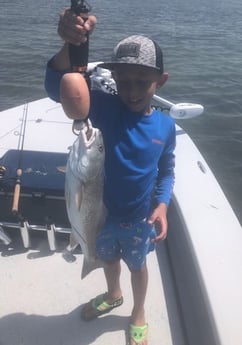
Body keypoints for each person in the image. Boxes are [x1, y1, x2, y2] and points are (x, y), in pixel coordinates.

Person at [45, 8, 176, 345]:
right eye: (124, 80)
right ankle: (113, 294)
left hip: (138, 219)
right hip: (100, 219)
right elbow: (58, 84)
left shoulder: (164, 125)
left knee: (138, 267)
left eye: (142, 82)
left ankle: (138, 311)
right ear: (113, 77)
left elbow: (167, 169)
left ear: (160, 82)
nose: (131, 91)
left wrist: (161, 205)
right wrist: (70, 44)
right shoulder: (102, 107)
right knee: (108, 259)